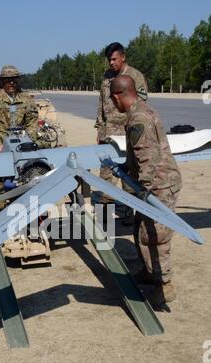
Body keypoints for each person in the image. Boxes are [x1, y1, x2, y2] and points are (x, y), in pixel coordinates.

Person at [109, 75, 182, 306]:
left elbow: (148, 160)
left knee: (153, 236)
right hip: (154, 183)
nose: (113, 105)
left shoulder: (138, 118)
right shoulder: (142, 110)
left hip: (159, 186)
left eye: (113, 99)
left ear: (118, 96)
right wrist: (125, 169)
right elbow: (141, 154)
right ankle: (149, 273)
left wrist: (144, 193)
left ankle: (165, 285)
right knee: (141, 227)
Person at [95, 42, 148, 223]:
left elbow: (142, 106)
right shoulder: (106, 77)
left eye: (114, 59)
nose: (111, 63)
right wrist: (100, 129)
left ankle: (128, 213)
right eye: (109, 59)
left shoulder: (135, 76)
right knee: (106, 175)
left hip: (127, 132)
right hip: (108, 133)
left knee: (129, 175)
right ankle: (105, 217)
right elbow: (102, 103)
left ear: (123, 57)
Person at [0, 65, 39, 212]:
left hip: (19, 149)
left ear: (19, 80)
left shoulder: (25, 99)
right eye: (7, 80)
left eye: (14, 79)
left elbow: (32, 119)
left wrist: (28, 140)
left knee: (23, 183)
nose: (11, 83)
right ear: (2, 81)